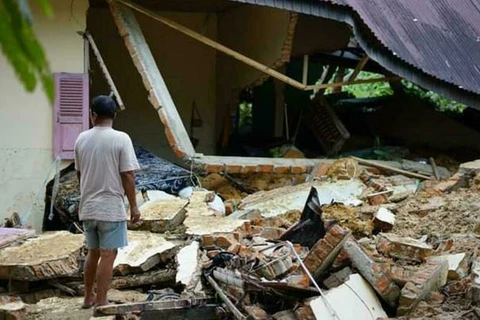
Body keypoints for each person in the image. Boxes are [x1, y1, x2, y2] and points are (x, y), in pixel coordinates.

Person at [74, 95, 141, 309]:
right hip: (111, 208)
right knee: (108, 255)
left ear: (93, 114)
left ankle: (87, 297)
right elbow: (128, 175)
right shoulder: (121, 139)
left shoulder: (81, 139)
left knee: (92, 254)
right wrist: (134, 206)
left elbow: (79, 174)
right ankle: (102, 300)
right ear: (114, 115)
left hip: (88, 207)